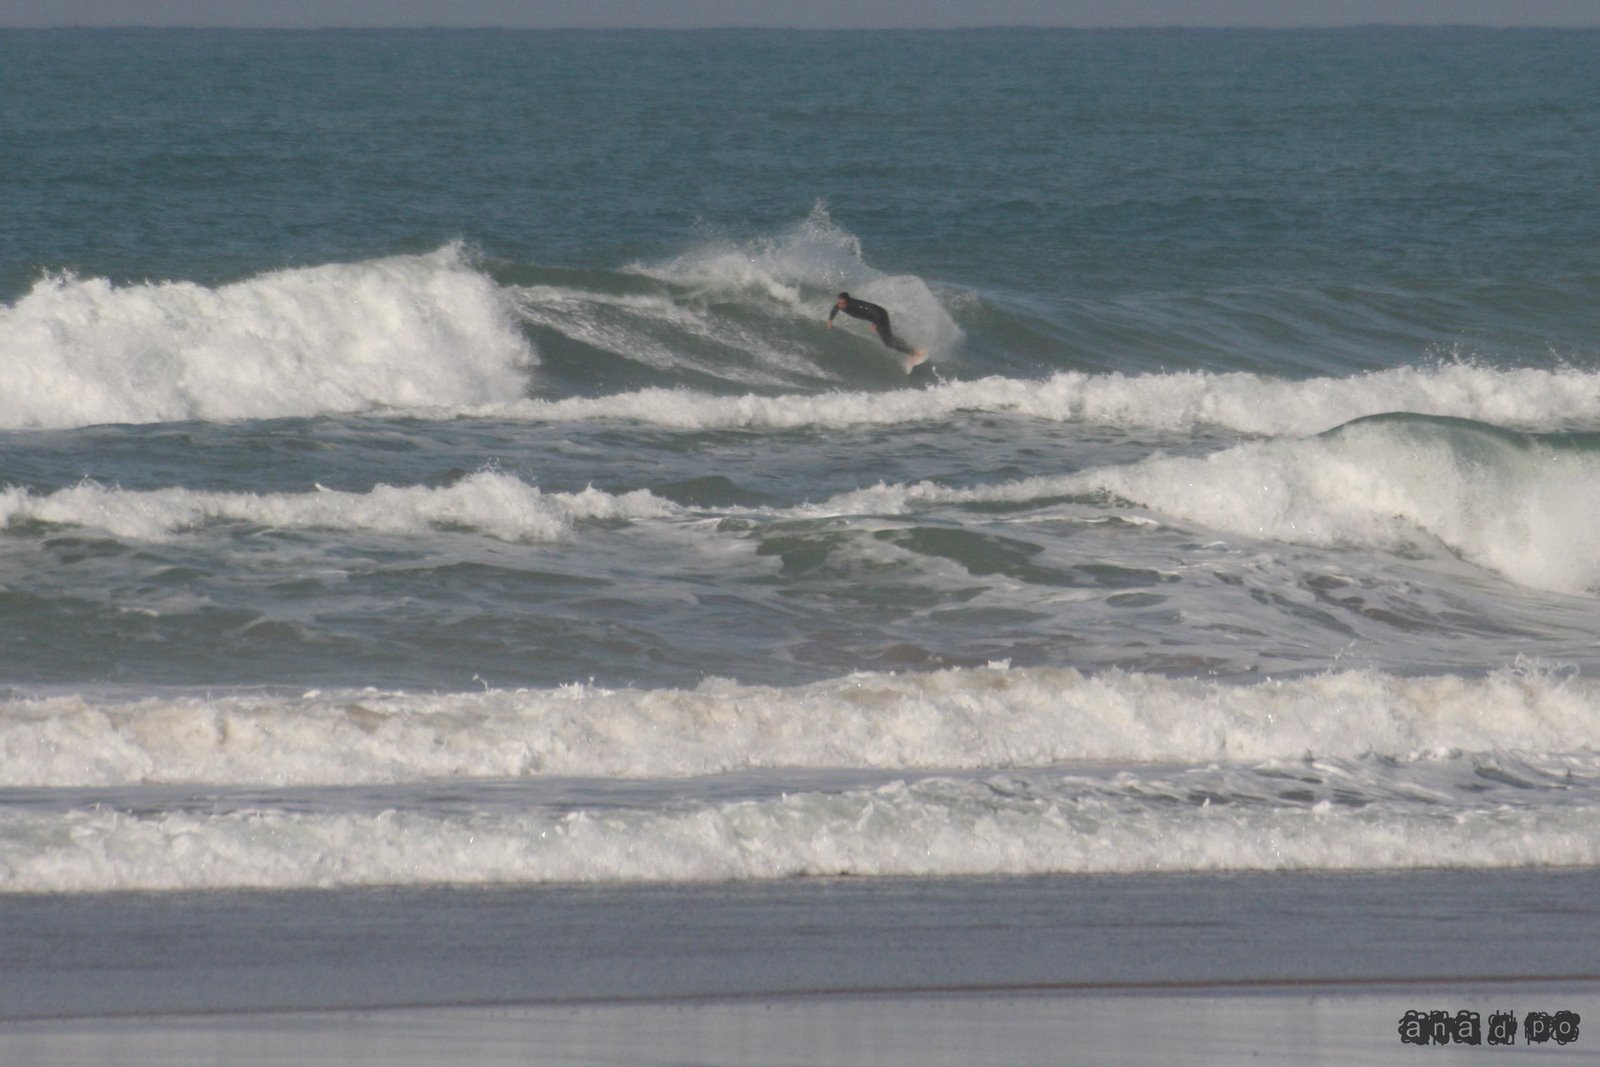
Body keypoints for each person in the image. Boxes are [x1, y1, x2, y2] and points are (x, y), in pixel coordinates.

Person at [828, 292, 927, 371]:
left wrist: (875, 323)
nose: (841, 305)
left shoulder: (857, 305)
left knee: (888, 343)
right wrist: (830, 320)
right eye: (839, 303)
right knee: (890, 338)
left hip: (880, 316)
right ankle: (913, 349)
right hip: (876, 318)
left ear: (849, 301)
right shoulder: (840, 305)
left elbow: (876, 311)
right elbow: (835, 308)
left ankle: (913, 353)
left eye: (843, 303)